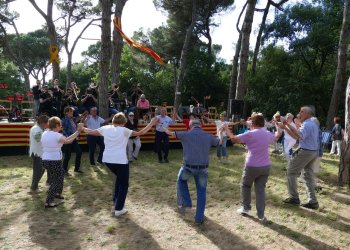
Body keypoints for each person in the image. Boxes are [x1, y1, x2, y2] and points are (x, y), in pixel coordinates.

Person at [82, 112, 158, 217]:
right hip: (120, 161)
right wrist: (152, 123)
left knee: (119, 178)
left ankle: (116, 201)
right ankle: (119, 209)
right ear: (123, 122)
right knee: (124, 184)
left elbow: (91, 132)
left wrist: (82, 128)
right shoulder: (125, 130)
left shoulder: (106, 128)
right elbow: (141, 133)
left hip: (107, 160)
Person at [162, 119, 221, 224]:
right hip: (203, 168)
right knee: (201, 192)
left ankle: (187, 203)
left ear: (190, 126)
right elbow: (219, 141)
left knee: (181, 181)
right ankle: (199, 219)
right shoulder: (208, 136)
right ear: (201, 126)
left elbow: (169, 132)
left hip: (188, 167)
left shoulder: (185, 134)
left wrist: (160, 125)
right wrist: (220, 130)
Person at [226, 112, 281, 222]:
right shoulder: (266, 133)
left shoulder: (250, 134)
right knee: (260, 190)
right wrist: (278, 127)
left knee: (246, 186)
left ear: (253, 122)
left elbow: (233, 139)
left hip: (251, 166)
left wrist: (226, 129)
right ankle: (261, 215)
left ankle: (246, 208)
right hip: (265, 166)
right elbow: (277, 136)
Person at [281, 106, 320, 209]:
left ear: (308, 114)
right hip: (313, 152)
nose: (299, 113)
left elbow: (299, 135)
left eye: (302, 111)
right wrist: (286, 127)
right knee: (307, 176)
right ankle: (313, 201)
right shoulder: (312, 123)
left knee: (291, 172)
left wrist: (287, 124)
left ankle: (294, 198)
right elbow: (296, 137)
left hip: (306, 151)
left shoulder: (307, 124)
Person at [41, 116, 83, 208]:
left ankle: (57, 193)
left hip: (45, 160)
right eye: (60, 125)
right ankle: (49, 201)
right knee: (56, 180)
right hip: (54, 160)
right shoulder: (57, 135)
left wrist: (76, 132)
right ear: (56, 125)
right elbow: (68, 141)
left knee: (59, 176)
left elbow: (66, 139)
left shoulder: (45, 133)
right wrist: (78, 132)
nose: (61, 126)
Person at [62, 107, 87, 175]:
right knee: (68, 155)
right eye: (70, 112)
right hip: (68, 139)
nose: (72, 113)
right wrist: (67, 138)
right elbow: (63, 130)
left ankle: (77, 168)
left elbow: (79, 120)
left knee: (79, 152)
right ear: (66, 112)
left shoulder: (73, 119)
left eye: (72, 112)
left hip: (74, 139)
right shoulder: (64, 120)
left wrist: (84, 115)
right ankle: (64, 170)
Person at [29, 115, 49, 192]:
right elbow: (38, 140)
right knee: (38, 170)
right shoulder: (36, 129)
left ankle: (34, 186)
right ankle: (33, 188)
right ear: (43, 123)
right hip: (37, 153)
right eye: (47, 123)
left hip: (39, 152)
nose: (48, 125)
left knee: (41, 169)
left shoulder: (39, 128)